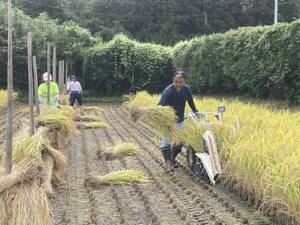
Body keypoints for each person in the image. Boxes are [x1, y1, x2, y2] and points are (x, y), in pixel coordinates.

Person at [158, 70, 203, 170]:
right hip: (168, 121)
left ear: (185, 81)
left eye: (181, 82)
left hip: (180, 120)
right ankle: (169, 164)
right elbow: (160, 107)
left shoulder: (186, 89)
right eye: (176, 82)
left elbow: (190, 101)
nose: (178, 84)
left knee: (180, 142)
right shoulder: (168, 91)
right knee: (165, 142)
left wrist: (195, 111)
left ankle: (172, 158)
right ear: (173, 80)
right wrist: (165, 118)